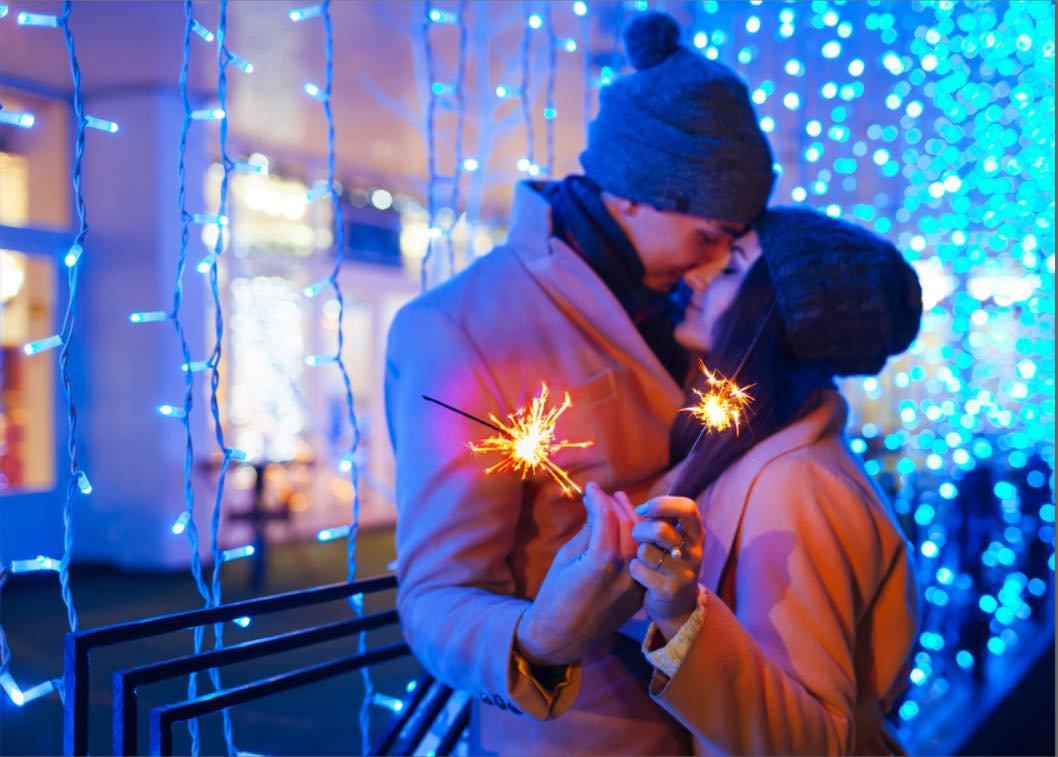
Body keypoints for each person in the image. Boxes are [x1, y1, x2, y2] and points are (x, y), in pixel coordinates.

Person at [384, 10, 774, 755]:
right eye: (707, 235)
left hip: (722, 715)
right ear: (633, 193)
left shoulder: (687, 311)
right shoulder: (463, 326)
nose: (711, 265)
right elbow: (433, 597)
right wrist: (542, 634)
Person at [602, 207, 923, 754]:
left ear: (780, 315)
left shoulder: (797, 487)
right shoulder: (753, 456)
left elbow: (817, 741)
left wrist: (681, 621)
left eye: (732, 269)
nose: (699, 275)